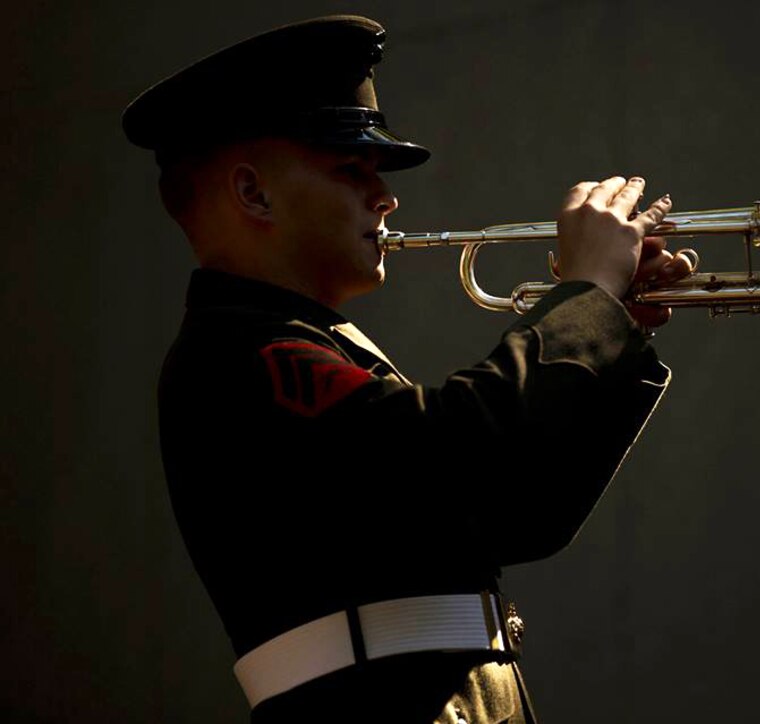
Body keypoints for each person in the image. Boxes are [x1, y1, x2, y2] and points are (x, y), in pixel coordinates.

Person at [123, 14, 692, 724]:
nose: (386, 197)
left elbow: (521, 514)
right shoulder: (246, 353)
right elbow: (456, 461)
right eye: (351, 170)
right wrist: (585, 301)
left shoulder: (307, 340)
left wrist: (615, 329)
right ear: (254, 194)